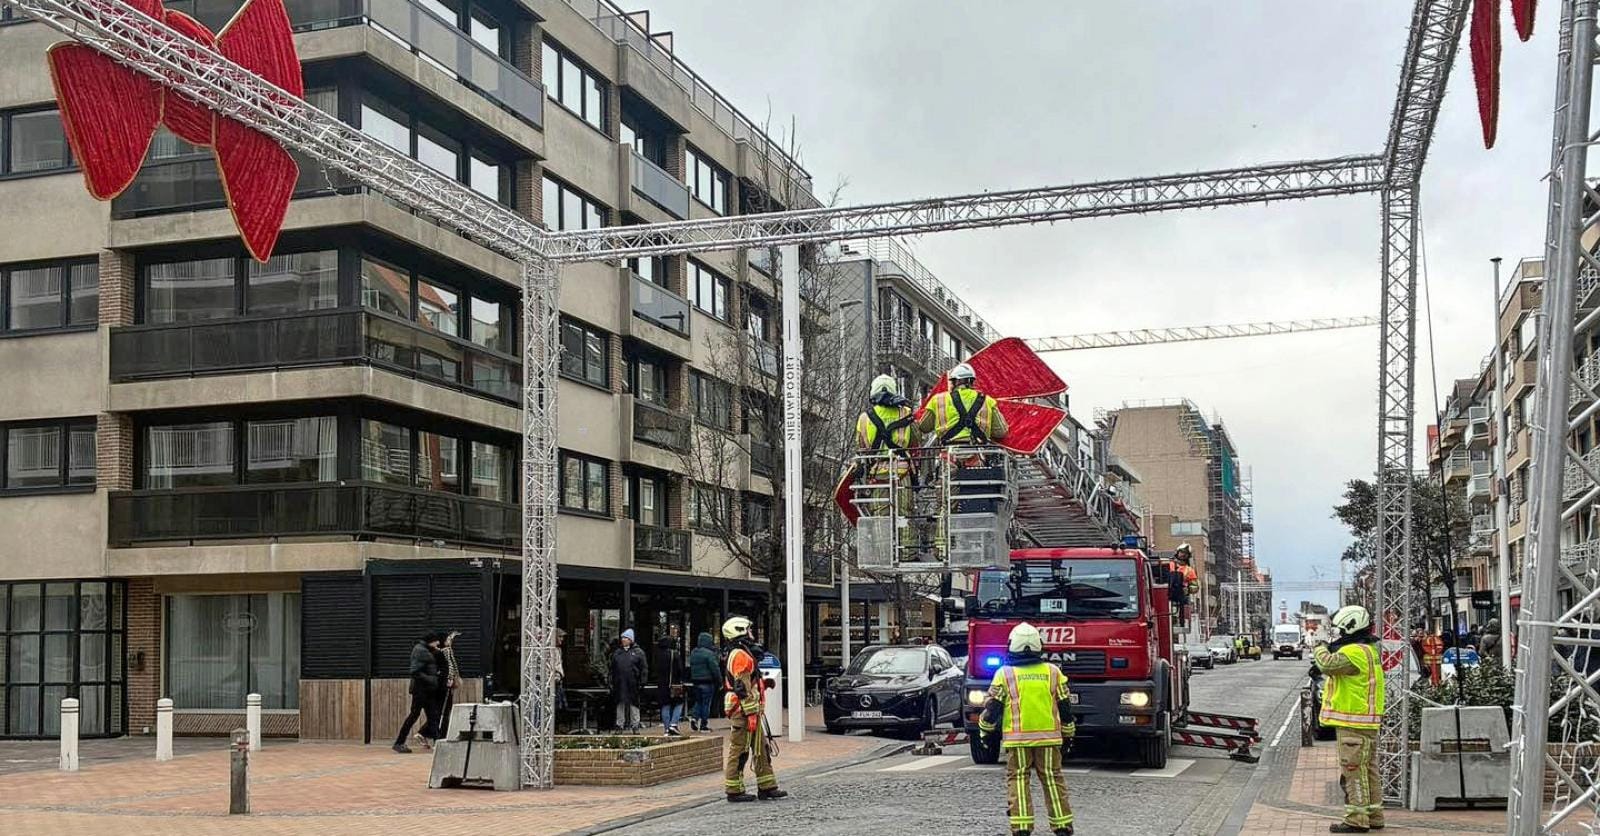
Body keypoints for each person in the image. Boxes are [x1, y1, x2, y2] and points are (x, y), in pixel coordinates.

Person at [977, 622, 1075, 836]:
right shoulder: (1053, 672)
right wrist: (1068, 734)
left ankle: (1021, 827)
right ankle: (1062, 826)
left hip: (1018, 740)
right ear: (1039, 645)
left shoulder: (1004, 674)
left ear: (1012, 646)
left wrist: (984, 732)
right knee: (1052, 778)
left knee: (1019, 779)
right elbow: (1065, 708)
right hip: (1049, 739)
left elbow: (992, 709)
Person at [1312, 604, 1386, 833]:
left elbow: (1327, 664)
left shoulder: (1354, 652)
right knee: (1369, 769)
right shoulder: (1369, 650)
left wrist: (1319, 646)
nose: (1339, 634)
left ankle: (1356, 819)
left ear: (1350, 626)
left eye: (1341, 630)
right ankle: (1374, 815)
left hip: (1353, 723)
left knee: (1353, 770)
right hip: (1366, 722)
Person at [720, 615, 786, 802]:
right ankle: (734, 790)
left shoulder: (742, 652)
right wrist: (750, 714)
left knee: (761, 749)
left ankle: (767, 787)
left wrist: (765, 683)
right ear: (739, 631)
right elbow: (742, 687)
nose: (751, 633)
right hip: (743, 712)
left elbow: (749, 682)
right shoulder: (740, 655)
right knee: (739, 750)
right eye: (748, 630)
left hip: (750, 711)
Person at [853, 374, 923, 518]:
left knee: (880, 517)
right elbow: (916, 440)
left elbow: (861, 447)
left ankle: (882, 533)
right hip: (901, 471)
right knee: (904, 515)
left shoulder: (864, 418)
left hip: (877, 472)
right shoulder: (906, 413)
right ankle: (905, 533)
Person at [916, 362, 1008, 446]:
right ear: (972, 381)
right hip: (978, 451)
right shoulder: (988, 401)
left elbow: (924, 427)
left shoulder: (938, 399)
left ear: (956, 381)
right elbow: (1001, 431)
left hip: (949, 451)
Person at [393, 631, 445, 754]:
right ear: (430, 641)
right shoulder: (420, 651)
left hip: (427, 689)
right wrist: (431, 679)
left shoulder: (425, 650)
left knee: (433, 716)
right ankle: (399, 742)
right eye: (436, 641)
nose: (438, 643)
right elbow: (414, 671)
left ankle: (438, 743)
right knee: (415, 715)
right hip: (421, 690)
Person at [609, 628, 647, 733]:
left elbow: (644, 668)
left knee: (634, 704)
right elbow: (612, 668)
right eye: (622, 638)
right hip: (619, 683)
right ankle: (619, 725)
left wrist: (642, 681)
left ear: (631, 639)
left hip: (633, 683)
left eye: (625, 638)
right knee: (620, 703)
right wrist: (611, 681)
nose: (623, 640)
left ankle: (635, 725)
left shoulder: (639, 652)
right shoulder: (617, 653)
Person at [656, 624, 686, 736]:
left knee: (665, 705)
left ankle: (666, 729)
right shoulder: (675, 654)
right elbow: (680, 669)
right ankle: (673, 724)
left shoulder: (658, 655)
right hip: (674, 684)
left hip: (662, 684)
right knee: (679, 703)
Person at [689, 630, 721, 732]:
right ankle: (704, 724)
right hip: (707, 682)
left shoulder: (693, 652)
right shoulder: (709, 654)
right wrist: (719, 681)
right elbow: (715, 669)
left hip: (696, 681)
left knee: (698, 701)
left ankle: (694, 717)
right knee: (706, 703)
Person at [435, 629, 461, 738]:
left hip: (442, 682)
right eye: (448, 639)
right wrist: (451, 678)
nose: (450, 641)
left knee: (443, 709)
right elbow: (450, 665)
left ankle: (440, 733)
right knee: (445, 709)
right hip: (445, 683)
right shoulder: (445, 651)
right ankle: (440, 734)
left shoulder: (441, 650)